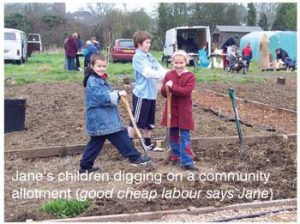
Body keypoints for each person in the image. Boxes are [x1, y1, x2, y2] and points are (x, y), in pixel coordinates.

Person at [79, 53, 151, 173]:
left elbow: (106, 94)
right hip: (102, 118)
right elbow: (101, 97)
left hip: (102, 118)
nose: (102, 69)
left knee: (96, 142)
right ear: (92, 66)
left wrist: (117, 93)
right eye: (99, 66)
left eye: (104, 66)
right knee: (120, 135)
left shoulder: (98, 78)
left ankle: (85, 166)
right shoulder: (92, 81)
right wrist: (117, 94)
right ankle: (135, 157)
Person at [127, 31, 167, 152]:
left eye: (150, 42)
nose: (149, 45)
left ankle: (148, 144)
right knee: (137, 121)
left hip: (151, 94)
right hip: (141, 95)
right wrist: (163, 74)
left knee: (149, 122)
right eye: (147, 42)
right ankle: (128, 146)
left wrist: (169, 73)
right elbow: (148, 73)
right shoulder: (138, 57)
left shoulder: (149, 57)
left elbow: (161, 69)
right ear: (139, 43)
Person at [160, 50, 197, 171]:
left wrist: (172, 87)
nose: (179, 65)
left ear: (186, 62)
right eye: (176, 63)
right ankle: (176, 156)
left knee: (184, 136)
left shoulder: (190, 76)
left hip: (184, 110)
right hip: (171, 109)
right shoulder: (169, 75)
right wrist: (166, 87)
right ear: (172, 62)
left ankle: (186, 161)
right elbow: (164, 93)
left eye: (181, 63)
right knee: (173, 134)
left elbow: (186, 91)